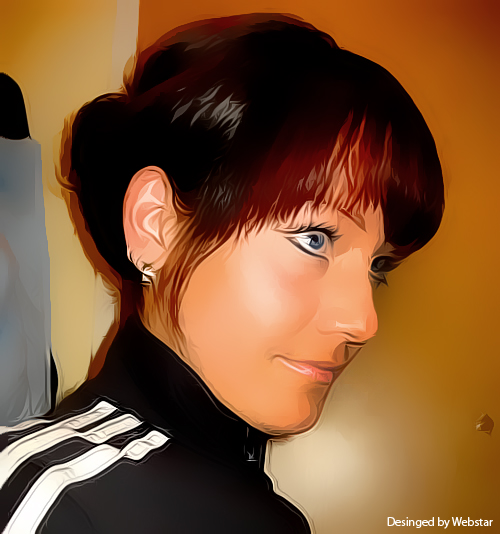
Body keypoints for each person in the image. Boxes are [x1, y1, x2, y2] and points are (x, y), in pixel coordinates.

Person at [0, 13, 444, 534]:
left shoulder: (275, 517)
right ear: (156, 224)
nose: (363, 322)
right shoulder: (48, 501)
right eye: (314, 239)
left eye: (378, 266)